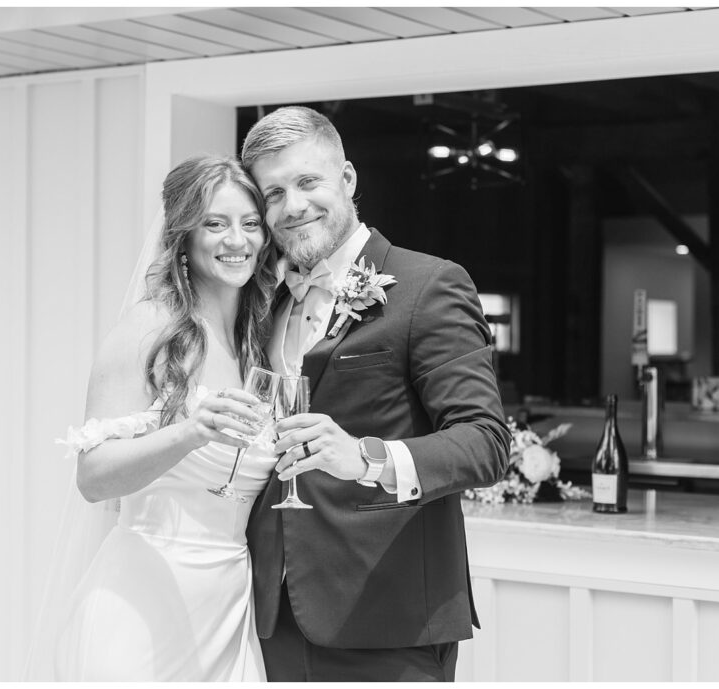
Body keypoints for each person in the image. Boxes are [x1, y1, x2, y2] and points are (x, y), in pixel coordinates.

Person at [241, 106, 511, 681]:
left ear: (349, 180)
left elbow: (486, 442)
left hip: (390, 614)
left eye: (308, 182)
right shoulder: (263, 303)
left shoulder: (428, 285)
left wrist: (366, 457)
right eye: (273, 193)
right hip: (274, 613)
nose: (293, 206)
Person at [31, 155, 278, 680]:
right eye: (215, 223)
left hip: (230, 606)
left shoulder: (259, 341)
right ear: (183, 235)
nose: (238, 239)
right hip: (142, 605)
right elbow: (93, 479)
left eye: (250, 223)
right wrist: (189, 433)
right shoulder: (150, 329)